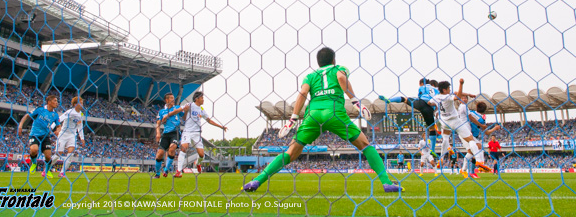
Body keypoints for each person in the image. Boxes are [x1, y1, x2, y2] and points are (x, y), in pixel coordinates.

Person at [242, 47, 403, 193]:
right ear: (334, 60)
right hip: (333, 112)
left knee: (290, 153)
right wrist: (356, 102)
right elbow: (341, 78)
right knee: (366, 145)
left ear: (318, 62)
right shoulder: (339, 68)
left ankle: (257, 181)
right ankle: (386, 182)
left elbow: (303, 94)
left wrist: (293, 118)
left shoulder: (311, 76)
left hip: (313, 115)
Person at [428, 81, 489, 174]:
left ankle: (441, 158)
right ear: (444, 90)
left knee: (445, 139)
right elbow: (457, 96)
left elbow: (429, 103)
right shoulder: (448, 97)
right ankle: (479, 161)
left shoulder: (436, 97)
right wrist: (461, 84)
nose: (450, 90)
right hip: (455, 121)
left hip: (444, 122)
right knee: (471, 139)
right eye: (448, 88)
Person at [173, 91, 226, 177]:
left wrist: (221, 126)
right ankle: (178, 171)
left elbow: (209, 120)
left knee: (201, 154)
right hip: (187, 131)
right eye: (202, 98)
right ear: (197, 99)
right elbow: (180, 110)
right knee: (184, 148)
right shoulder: (190, 105)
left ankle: (198, 163)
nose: (203, 100)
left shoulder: (201, 110)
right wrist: (171, 113)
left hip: (197, 134)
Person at [380, 78, 439, 154]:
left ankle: (389, 100)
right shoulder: (437, 91)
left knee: (404, 99)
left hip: (421, 103)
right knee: (432, 129)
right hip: (430, 108)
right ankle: (433, 150)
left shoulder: (423, 87)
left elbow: (420, 97)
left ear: (421, 83)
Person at [17, 95, 61, 179]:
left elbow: (59, 126)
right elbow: (27, 115)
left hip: (45, 136)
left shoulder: (55, 115)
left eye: (57, 101)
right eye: (55, 101)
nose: (56, 103)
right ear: (49, 102)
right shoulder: (40, 109)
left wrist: (58, 130)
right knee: (34, 150)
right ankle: (34, 163)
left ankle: (47, 171)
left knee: (48, 156)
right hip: (35, 134)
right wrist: (20, 126)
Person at [49, 96, 86, 178]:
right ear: (76, 104)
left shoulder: (81, 114)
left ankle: (62, 173)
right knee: (59, 154)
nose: (83, 104)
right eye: (81, 103)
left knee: (70, 154)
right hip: (63, 134)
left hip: (72, 135)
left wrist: (82, 138)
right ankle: (46, 169)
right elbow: (59, 119)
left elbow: (80, 126)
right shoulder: (70, 112)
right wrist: (51, 127)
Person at [154, 93, 189, 178]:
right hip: (166, 134)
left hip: (175, 132)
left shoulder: (177, 107)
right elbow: (158, 123)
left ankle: (166, 169)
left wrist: (186, 111)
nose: (173, 100)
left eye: (173, 98)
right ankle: (157, 174)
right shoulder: (161, 112)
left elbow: (183, 115)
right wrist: (158, 133)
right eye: (171, 98)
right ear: (166, 100)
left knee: (172, 147)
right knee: (159, 154)